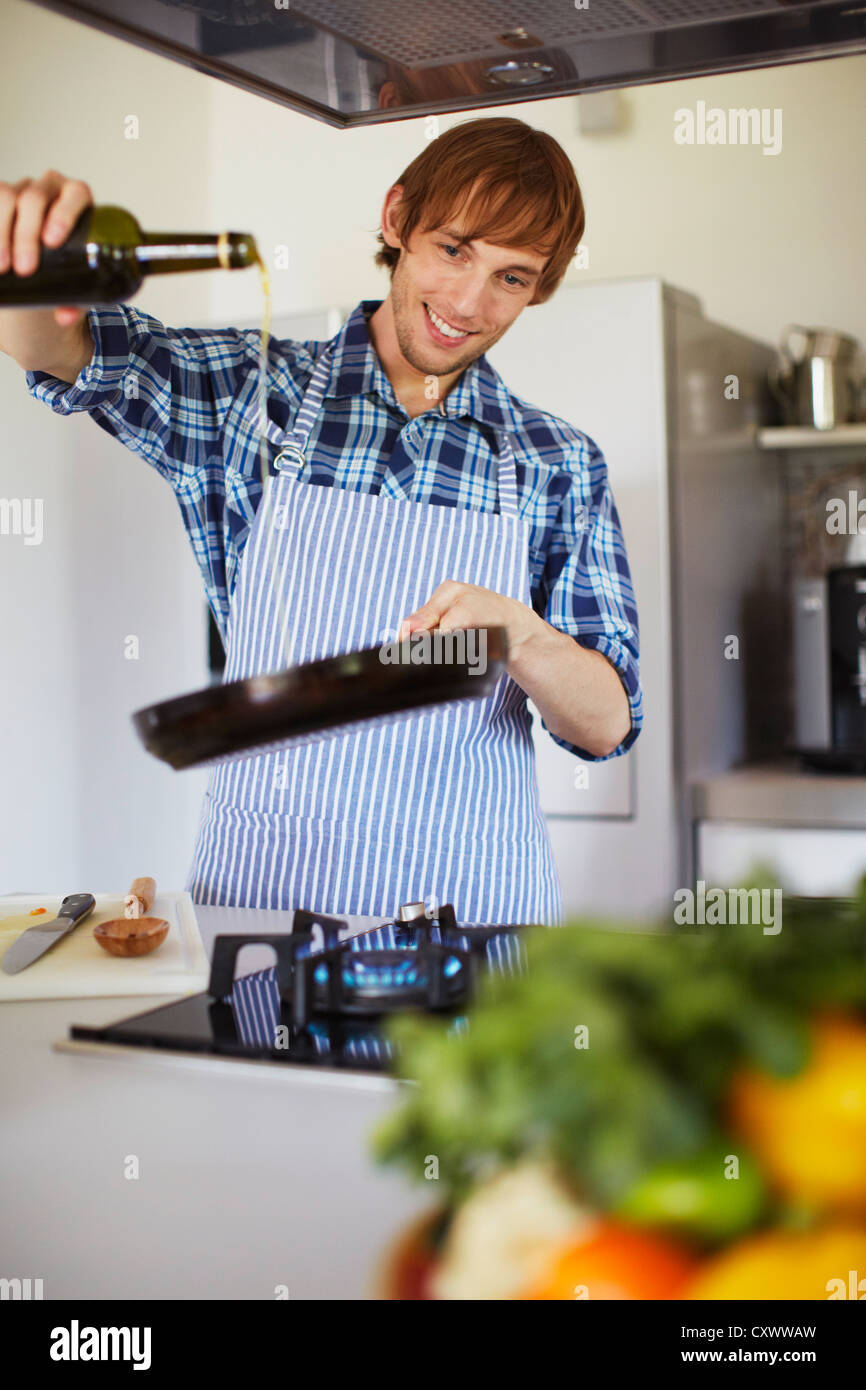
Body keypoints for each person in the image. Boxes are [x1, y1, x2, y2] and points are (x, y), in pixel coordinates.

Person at [0, 116, 642, 927]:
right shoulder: (246, 396)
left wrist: (523, 635)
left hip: (475, 935)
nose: (469, 303)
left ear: (539, 287)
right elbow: (60, 352)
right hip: (267, 921)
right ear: (398, 217)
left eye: (512, 278)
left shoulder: (558, 462)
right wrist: (20, 268)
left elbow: (607, 723)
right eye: (454, 249)